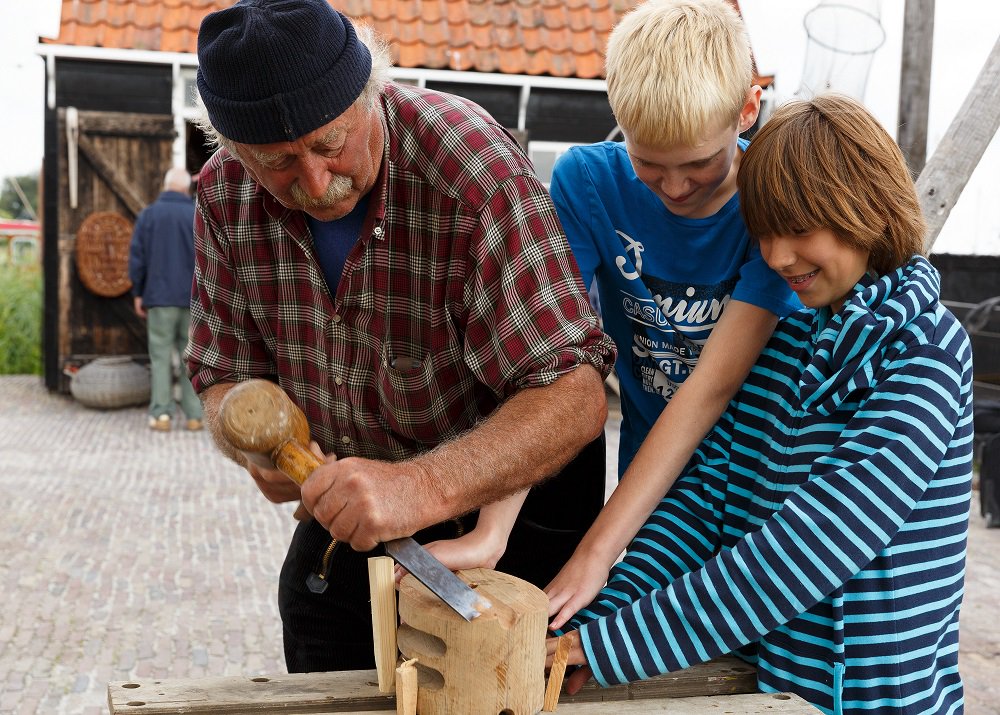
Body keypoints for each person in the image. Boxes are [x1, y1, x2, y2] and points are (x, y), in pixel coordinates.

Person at [187, 0, 616, 673]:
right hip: (360, 488)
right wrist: (248, 442)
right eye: (277, 162)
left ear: (371, 94)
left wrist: (422, 488)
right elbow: (221, 373)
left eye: (330, 144)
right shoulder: (223, 196)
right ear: (235, 149)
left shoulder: (472, 169)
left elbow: (575, 394)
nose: (315, 182)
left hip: (517, 491)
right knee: (319, 631)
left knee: (495, 678)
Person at [547, 93, 973, 715]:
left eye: (799, 230)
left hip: (889, 700)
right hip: (781, 688)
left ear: (866, 207)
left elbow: (818, 540)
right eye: (764, 234)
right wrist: (593, 623)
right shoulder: (781, 345)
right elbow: (702, 502)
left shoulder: (926, 350)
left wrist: (609, 644)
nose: (777, 257)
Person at [546, 0, 800, 627]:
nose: (677, 187)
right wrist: (499, 528)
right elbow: (550, 355)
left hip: (753, 491)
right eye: (649, 164)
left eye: (700, 163)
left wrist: (593, 554)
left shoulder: (773, 199)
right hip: (648, 486)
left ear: (748, 108)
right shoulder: (586, 182)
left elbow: (711, 386)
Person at [128, 167, 203, 432]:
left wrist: (138, 292)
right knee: (191, 359)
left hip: (159, 299)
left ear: (166, 185)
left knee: (160, 357)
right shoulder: (196, 214)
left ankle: (162, 415)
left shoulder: (149, 215)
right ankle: (194, 416)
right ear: (186, 188)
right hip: (193, 301)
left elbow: (137, 258)